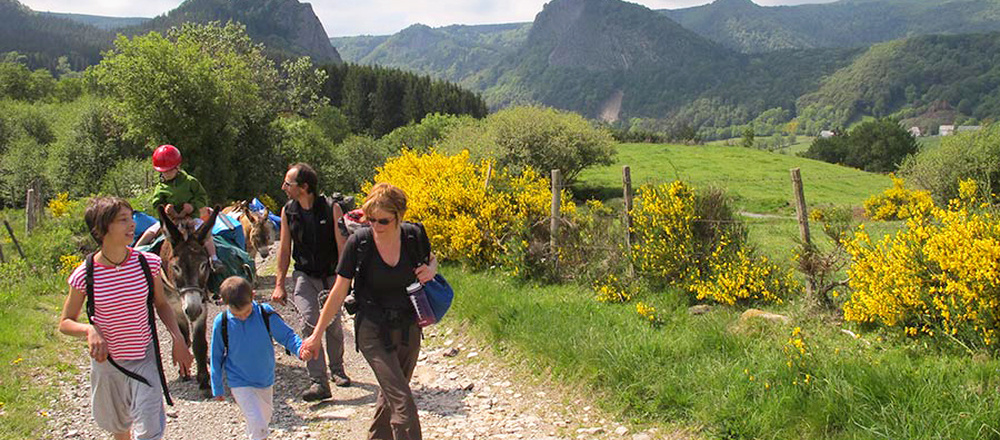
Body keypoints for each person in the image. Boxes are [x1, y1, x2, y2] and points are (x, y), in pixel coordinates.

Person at [302, 182, 438, 440]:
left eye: (383, 221)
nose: (376, 225)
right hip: (372, 330)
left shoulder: (413, 236)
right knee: (402, 403)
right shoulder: (359, 242)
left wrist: (431, 270)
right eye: (371, 219)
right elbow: (338, 291)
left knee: (391, 396)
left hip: (408, 328)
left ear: (399, 216)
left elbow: (431, 259)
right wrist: (316, 335)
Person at [58, 196, 195, 440]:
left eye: (131, 218)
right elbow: (65, 322)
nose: (132, 224)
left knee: (150, 430)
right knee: (120, 428)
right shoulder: (85, 274)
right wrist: (90, 330)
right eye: (123, 220)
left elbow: (161, 304)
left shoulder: (147, 264)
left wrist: (178, 340)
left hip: (144, 358)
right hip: (107, 364)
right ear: (101, 229)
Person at [270, 163, 351, 401]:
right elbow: (285, 250)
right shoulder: (288, 211)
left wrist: (344, 281)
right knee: (308, 321)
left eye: (288, 183)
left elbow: (343, 248)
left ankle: (337, 369)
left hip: (331, 275)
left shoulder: (331, 208)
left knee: (333, 324)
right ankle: (318, 382)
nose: (283, 187)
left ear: (304, 187)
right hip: (304, 275)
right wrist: (279, 284)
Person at [210, 276, 306, 440]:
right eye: (237, 314)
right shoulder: (222, 322)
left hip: (265, 379)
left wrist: (300, 349)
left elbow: (287, 336)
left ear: (253, 296)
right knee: (257, 422)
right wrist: (217, 387)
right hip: (238, 380)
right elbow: (216, 356)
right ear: (225, 304)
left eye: (247, 312)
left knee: (263, 419)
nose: (243, 317)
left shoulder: (265, 314)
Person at [136, 144, 220, 270]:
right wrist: (165, 208)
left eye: (169, 170)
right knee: (151, 232)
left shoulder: (190, 182)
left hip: (191, 218)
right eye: (163, 171)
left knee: (205, 235)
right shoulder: (160, 187)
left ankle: (214, 259)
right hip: (171, 220)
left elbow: (202, 197)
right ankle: (135, 253)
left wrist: (192, 206)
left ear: (178, 167)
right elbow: (156, 203)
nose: (166, 174)